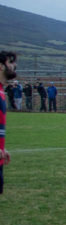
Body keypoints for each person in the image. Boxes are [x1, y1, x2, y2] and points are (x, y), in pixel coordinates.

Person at [0, 51, 17, 194]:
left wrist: (2, 148)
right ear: (1, 66)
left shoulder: (1, 90)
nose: (14, 65)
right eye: (10, 62)